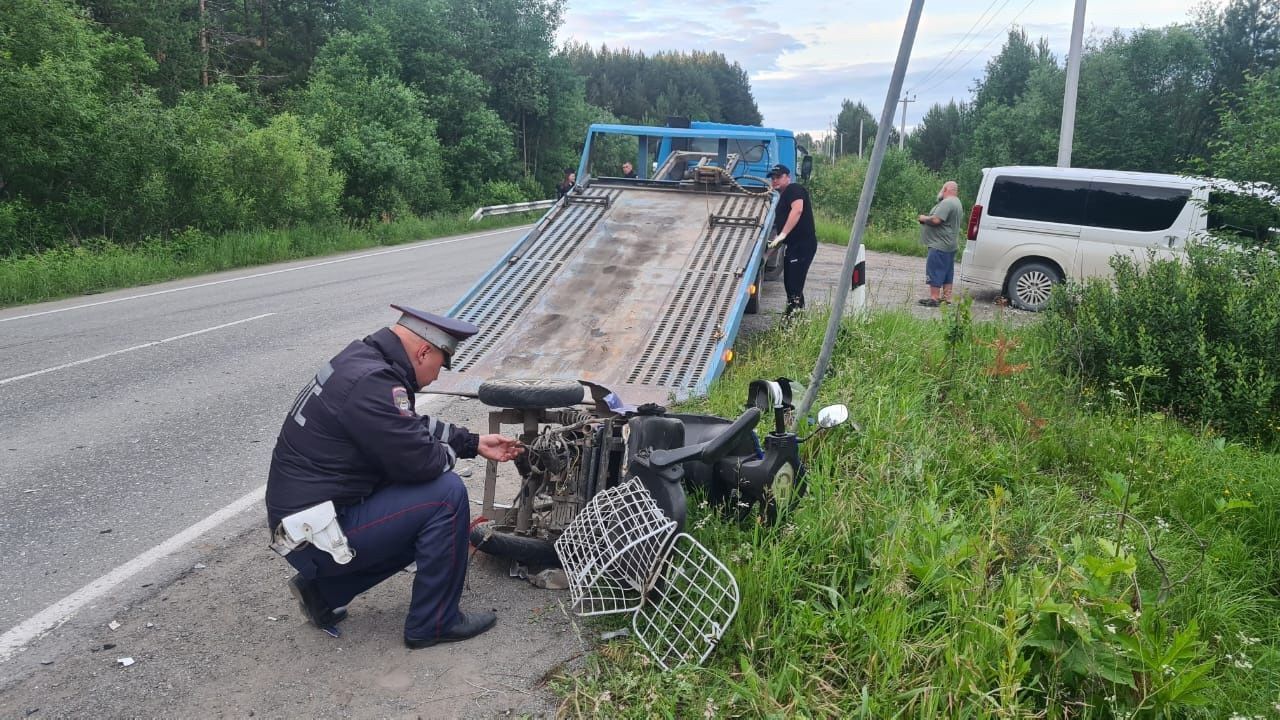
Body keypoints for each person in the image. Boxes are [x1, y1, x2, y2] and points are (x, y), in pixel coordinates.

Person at [266, 305, 523, 649]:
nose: (437, 376)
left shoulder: (364, 361)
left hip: (307, 522)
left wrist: (473, 443)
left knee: (422, 514)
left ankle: (324, 592)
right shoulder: (372, 381)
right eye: (442, 364)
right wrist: (447, 454)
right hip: (315, 533)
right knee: (446, 496)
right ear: (423, 352)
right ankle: (434, 623)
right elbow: (422, 462)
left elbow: (409, 424)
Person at [766, 164, 818, 315]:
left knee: (794, 285)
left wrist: (782, 235)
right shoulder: (782, 197)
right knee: (790, 285)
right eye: (773, 178)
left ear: (788, 177)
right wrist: (766, 256)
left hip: (803, 245)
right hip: (793, 246)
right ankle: (795, 318)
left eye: (779, 177)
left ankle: (793, 319)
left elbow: (798, 210)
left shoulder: (794, 189)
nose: (775, 180)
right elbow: (782, 233)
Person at [916, 180, 964, 307]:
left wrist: (923, 218)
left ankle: (934, 298)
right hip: (950, 244)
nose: (941, 191)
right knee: (947, 271)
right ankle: (947, 298)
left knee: (935, 269)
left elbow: (936, 220)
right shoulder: (957, 202)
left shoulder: (947, 202)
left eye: (942, 189)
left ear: (946, 189)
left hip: (940, 244)